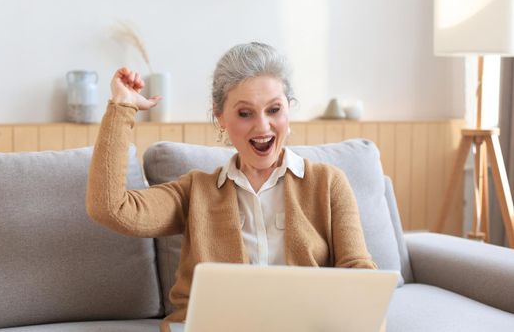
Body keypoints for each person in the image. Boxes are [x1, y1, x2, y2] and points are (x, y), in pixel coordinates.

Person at [86, 42, 376, 332]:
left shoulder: (328, 183)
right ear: (220, 117)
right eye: (245, 113)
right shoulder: (196, 192)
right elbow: (110, 208)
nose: (263, 127)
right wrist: (122, 107)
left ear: (288, 110)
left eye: (274, 109)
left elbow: (360, 276)